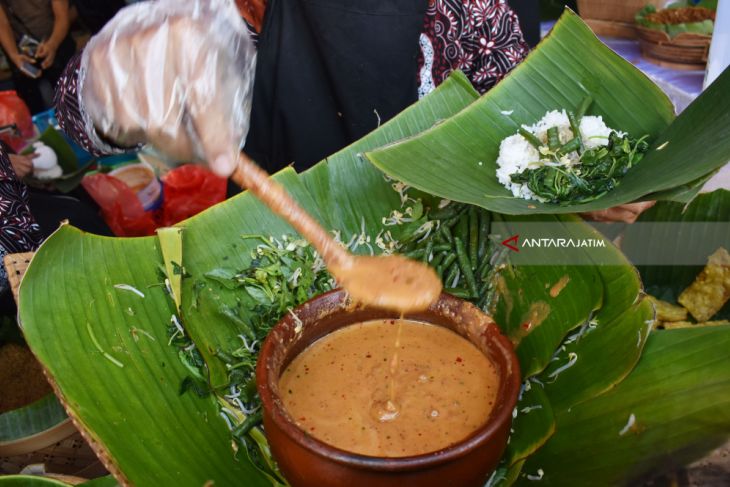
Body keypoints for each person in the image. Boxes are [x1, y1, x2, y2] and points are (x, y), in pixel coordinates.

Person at [53, 0, 651, 223]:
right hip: (283, 255)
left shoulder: (472, 13)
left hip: (458, 247)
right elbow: (85, 124)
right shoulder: (230, 16)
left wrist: (575, 186)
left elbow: (523, 132)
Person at [0, 0, 75, 114]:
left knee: (73, 102)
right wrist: (14, 55)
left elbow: (62, 15)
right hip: (23, 54)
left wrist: (52, 44)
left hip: (60, 48)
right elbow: (2, 23)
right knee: (37, 108)